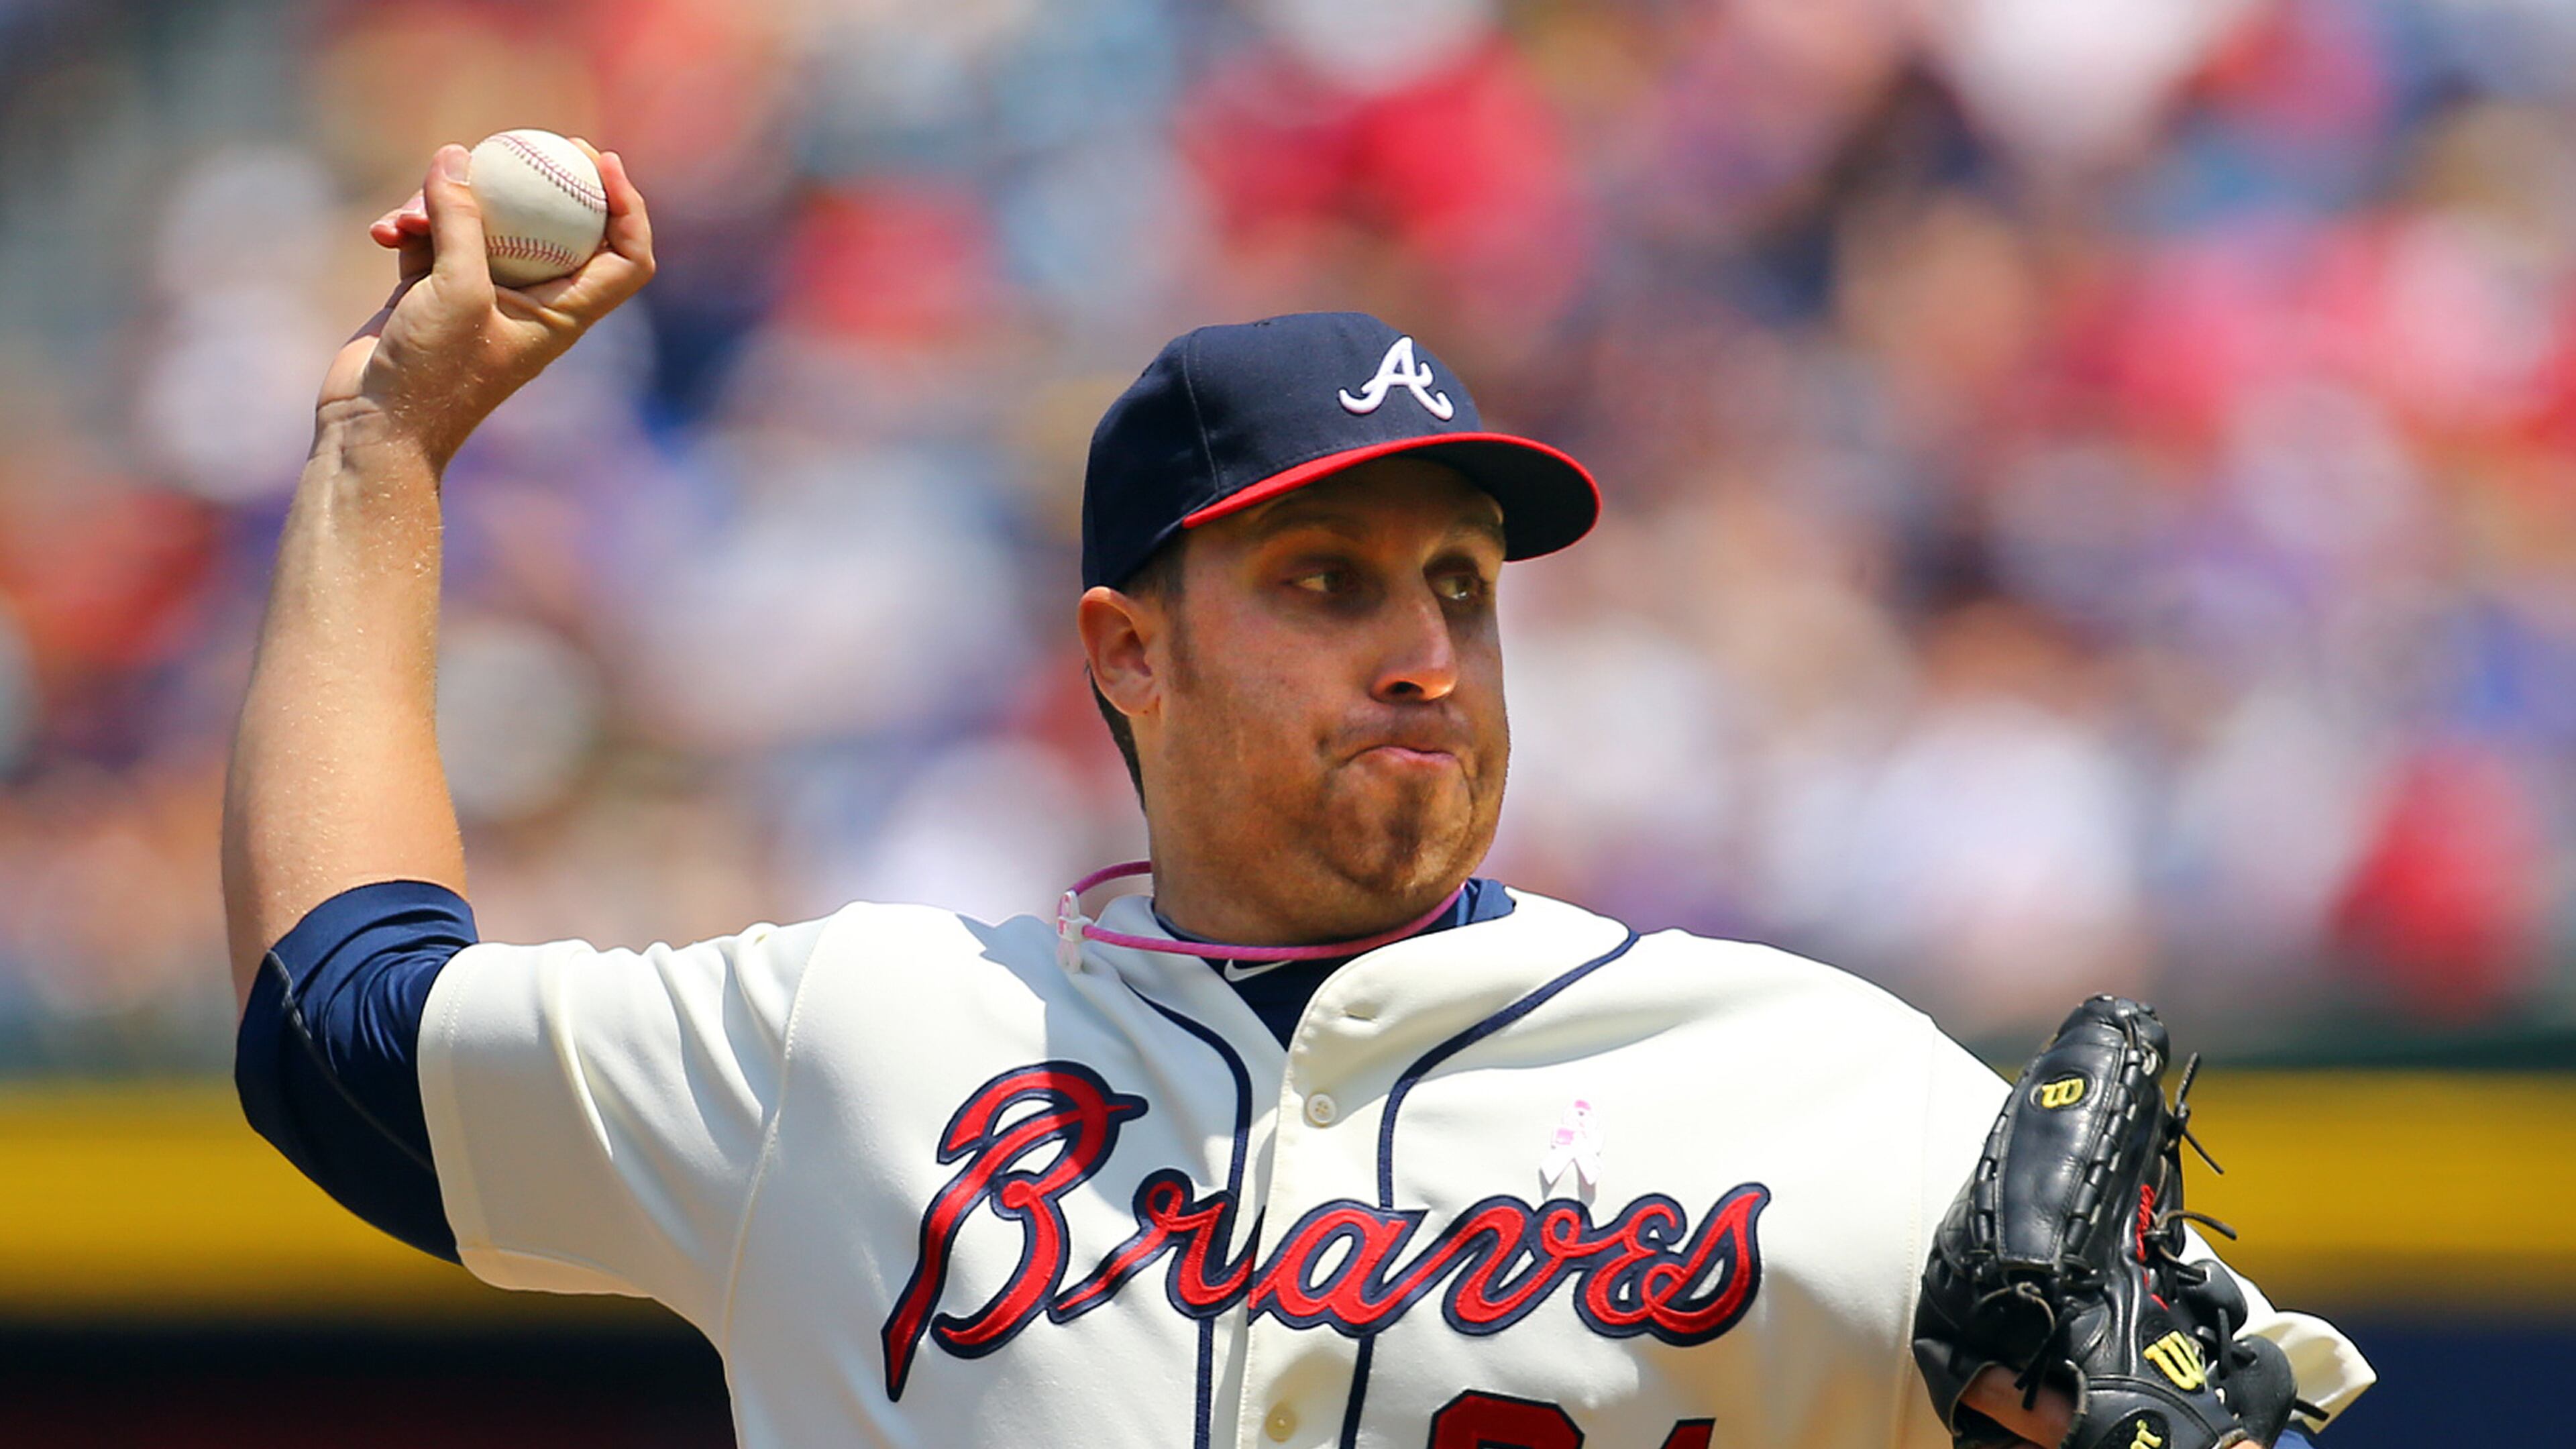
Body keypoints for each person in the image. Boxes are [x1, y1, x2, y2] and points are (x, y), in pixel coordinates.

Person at [226, 144, 2371, 1449]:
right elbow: (342, 1028)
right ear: (1125, 657)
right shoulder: (853, 1047)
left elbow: (2241, 1413)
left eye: (1462, 584)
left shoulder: (1830, 1086)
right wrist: (382, 454)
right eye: (1328, 583)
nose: (1425, 647)